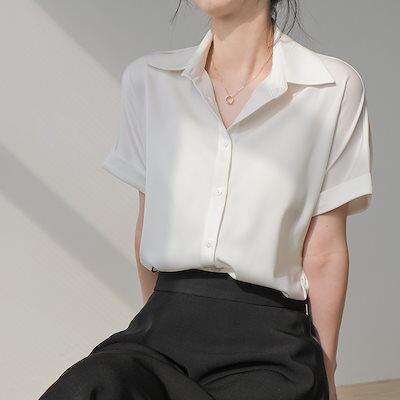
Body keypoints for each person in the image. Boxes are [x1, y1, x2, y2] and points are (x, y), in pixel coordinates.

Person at [38, 1, 373, 399]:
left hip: (272, 347)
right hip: (161, 330)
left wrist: (327, 373)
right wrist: (154, 323)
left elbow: (325, 251)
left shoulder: (330, 87)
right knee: (89, 386)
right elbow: (148, 226)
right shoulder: (149, 81)